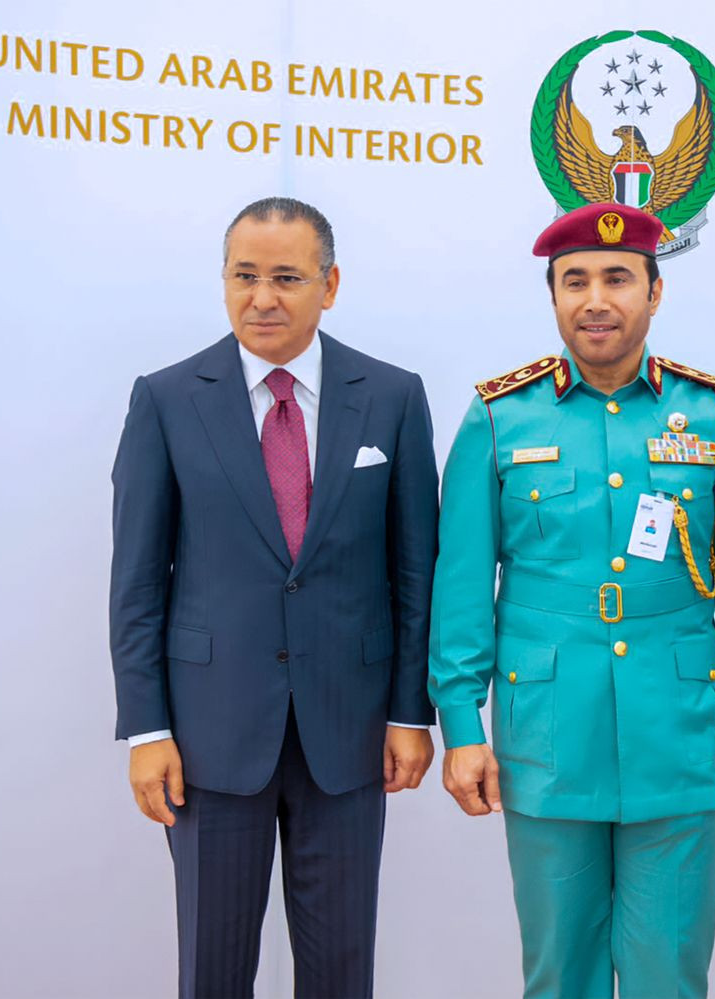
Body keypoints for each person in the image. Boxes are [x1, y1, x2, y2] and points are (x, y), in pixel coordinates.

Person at [428, 202, 715, 998]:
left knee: (671, 974)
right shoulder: (499, 416)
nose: (597, 299)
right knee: (560, 974)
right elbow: (460, 594)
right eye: (575, 280)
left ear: (655, 293)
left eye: (618, 279)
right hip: (549, 741)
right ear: (552, 296)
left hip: (679, 735)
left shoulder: (713, 415)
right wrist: (461, 725)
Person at [109, 196, 439, 998]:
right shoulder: (167, 398)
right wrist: (145, 727)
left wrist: (408, 712)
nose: (263, 297)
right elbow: (137, 583)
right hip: (209, 740)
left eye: (287, 277)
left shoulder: (391, 397)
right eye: (245, 276)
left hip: (351, 737)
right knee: (213, 973)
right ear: (223, 281)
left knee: (340, 974)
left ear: (329, 285)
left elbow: (413, 574)